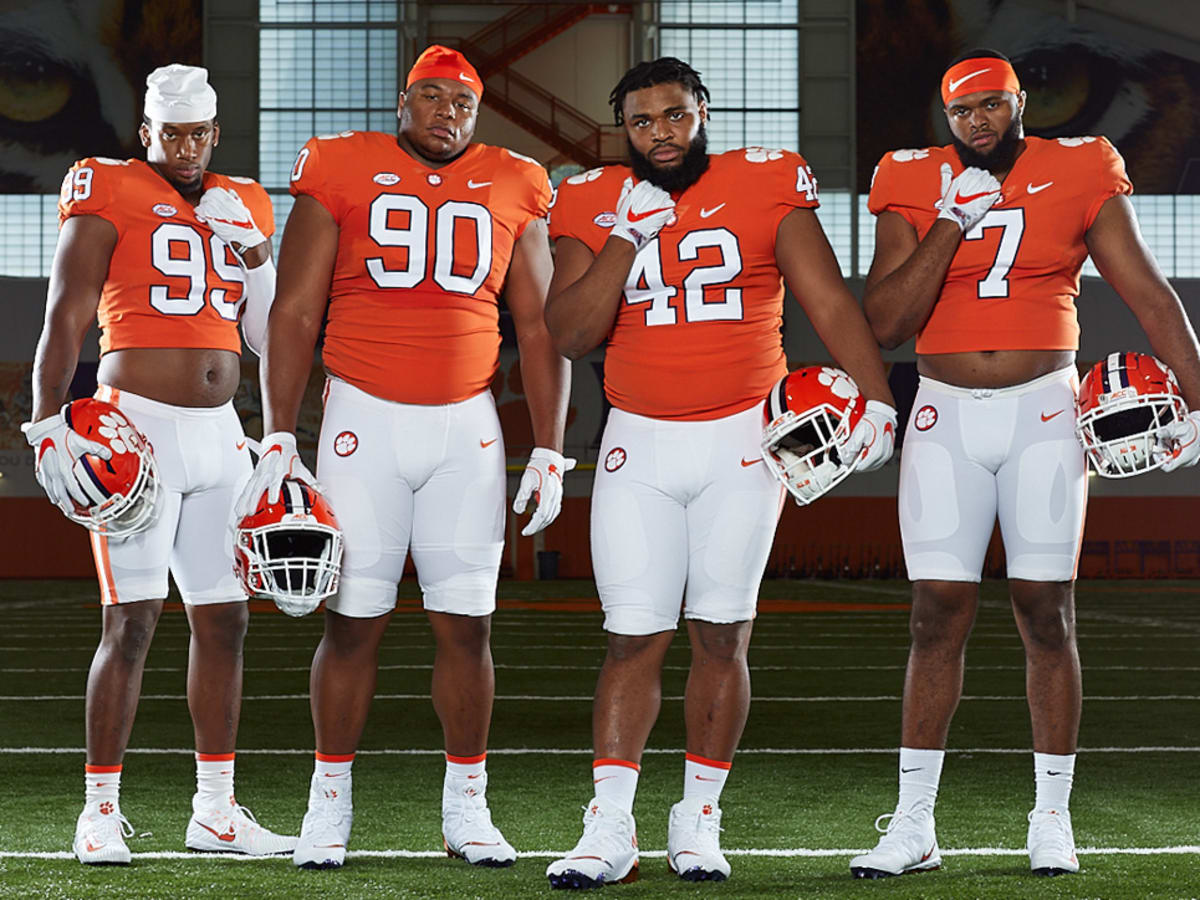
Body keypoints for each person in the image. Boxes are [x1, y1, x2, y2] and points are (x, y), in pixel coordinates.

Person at [542, 57, 897, 889]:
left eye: (673, 116)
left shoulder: (765, 181)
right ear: (620, 129)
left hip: (747, 437)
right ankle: (610, 826)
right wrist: (627, 236)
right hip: (639, 438)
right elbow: (568, 332)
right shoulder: (593, 197)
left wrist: (878, 398)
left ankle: (697, 814)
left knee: (722, 633)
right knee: (633, 635)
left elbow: (830, 301)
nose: (660, 136)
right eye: (641, 122)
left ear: (703, 111)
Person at [850, 49, 1200, 880]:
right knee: (935, 612)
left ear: (1020, 105)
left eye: (992, 105)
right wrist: (951, 222)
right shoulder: (909, 177)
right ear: (945, 118)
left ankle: (1050, 817)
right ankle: (913, 823)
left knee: (1047, 611)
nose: (978, 122)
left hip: (1044, 409)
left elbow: (1149, 292)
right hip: (942, 412)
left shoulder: (1078, 167)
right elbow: (889, 319)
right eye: (962, 111)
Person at [244, 44, 570, 870]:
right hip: (364, 420)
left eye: (460, 102)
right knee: (353, 624)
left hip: (469, 426)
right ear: (403, 103)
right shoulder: (343, 165)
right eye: (430, 97)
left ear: (476, 111)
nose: (446, 113)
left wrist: (552, 449)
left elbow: (541, 326)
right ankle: (328, 807)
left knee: (468, 627)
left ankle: (467, 805)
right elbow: (295, 308)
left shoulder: (516, 179)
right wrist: (280, 429)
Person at [21, 64, 292, 864]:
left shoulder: (245, 202)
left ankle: (215, 811)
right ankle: (98, 809)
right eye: (169, 133)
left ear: (216, 134)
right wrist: (44, 424)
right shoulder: (104, 186)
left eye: (196, 134)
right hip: (133, 430)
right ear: (146, 133)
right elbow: (64, 314)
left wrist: (256, 257)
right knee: (132, 622)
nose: (184, 147)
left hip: (221, 434)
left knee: (226, 619)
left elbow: (268, 335)